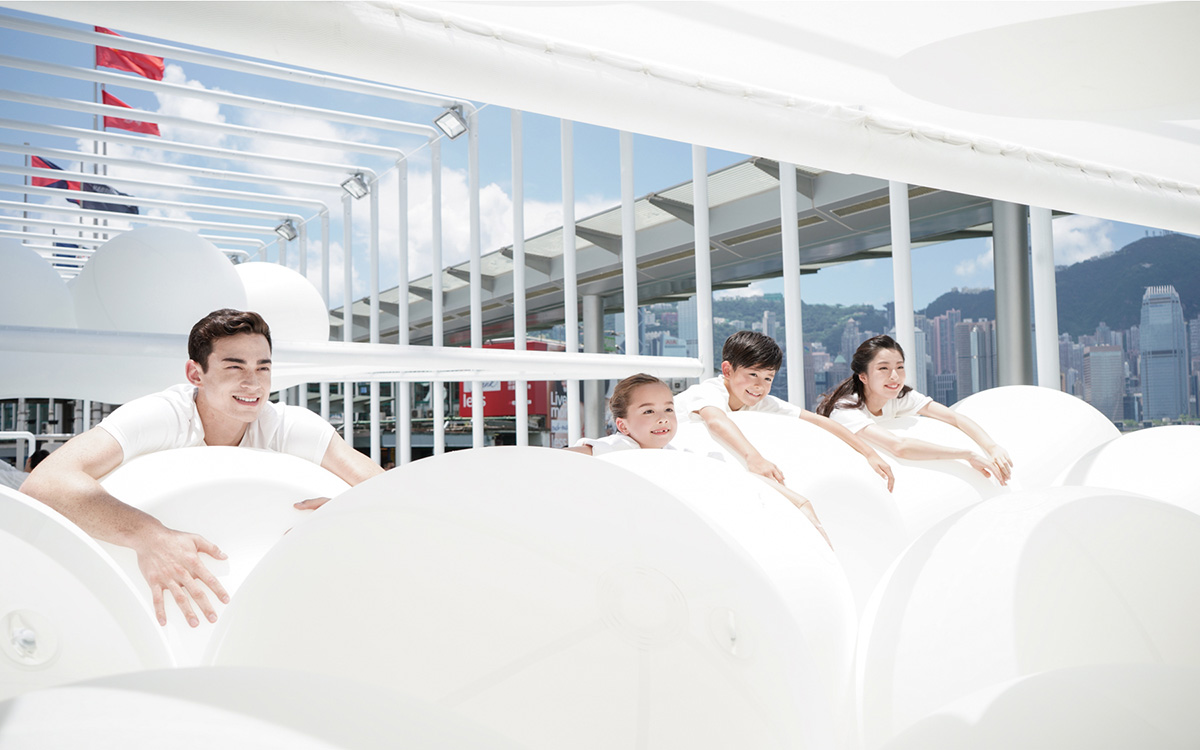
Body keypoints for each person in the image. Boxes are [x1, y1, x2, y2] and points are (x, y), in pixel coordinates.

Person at [21, 309, 383, 628]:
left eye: (263, 367)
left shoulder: (288, 425)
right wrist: (149, 535)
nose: (253, 383)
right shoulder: (161, 415)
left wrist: (348, 514)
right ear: (196, 373)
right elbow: (44, 483)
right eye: (234, 367)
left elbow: (391, 488)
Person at [567, 373, 832, 547]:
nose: (662, 418)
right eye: (648, 411)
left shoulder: (671, 453)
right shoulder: (621, 447)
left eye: (668, 409)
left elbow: (729, 476)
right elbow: (562, 457)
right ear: (622, 425)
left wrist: (798, 501)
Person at [675, 331, 895, 491]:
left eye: (768, 378)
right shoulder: (708, 391)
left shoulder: (760, 402)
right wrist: (755, 459)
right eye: (753, 375)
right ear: (727, 370)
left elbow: (817, 421)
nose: (759, 386)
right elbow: (716, 421)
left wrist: (869, 453)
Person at [816, 334, 1012, 484]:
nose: (894, 376)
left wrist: (992, 447)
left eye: (900, 367)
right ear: (863, 377)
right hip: (836, 476)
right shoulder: (845, 409)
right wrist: (967, 455)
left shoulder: (899, 396)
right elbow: (899, 447)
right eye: (883, 368)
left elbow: (954, 418)